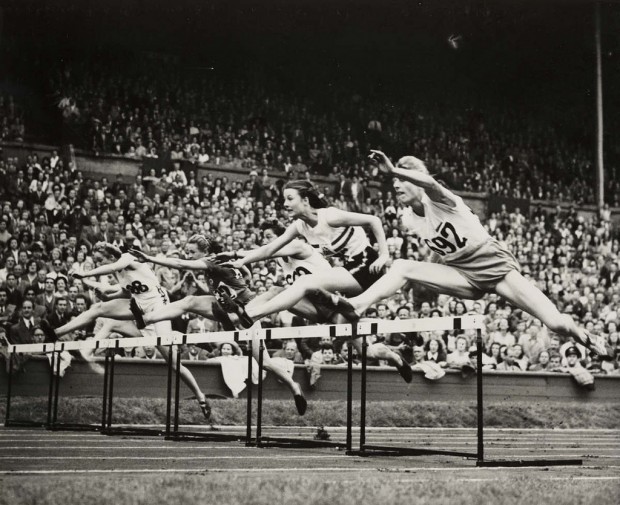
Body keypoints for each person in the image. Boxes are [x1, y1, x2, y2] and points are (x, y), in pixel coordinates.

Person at [314, 150, 606, 357]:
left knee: (555, 323)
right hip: (461, 273)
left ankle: (586, 336)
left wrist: (394, 169)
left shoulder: (442, 200)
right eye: (393, 183)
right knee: (402, 265)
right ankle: (357, 305)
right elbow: (441, 251)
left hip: (493, 265)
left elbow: (431, 184)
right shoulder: (407, 218)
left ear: (415, 180)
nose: (396, 186)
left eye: (400, 181)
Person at [223, 180, 412, 382]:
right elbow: (270, 249)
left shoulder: (329, 215)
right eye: (283, 199)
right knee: (366, 352)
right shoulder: (300, 226)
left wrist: (384, 254)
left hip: (368, 265)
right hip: (350, 273)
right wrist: (239, 259)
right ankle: (395, 357)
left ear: (305, 200)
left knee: (304, 283)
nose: (285, 204)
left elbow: (373, 220)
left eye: (289, 198)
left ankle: (251, 314)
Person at [128, 233, 308, 415]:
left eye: (192, 252)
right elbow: (243, 273)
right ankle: (147, 319)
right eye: (187, 252)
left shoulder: (212, 261)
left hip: (248, 310)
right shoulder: (218, 263)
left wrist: (149, 258)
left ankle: (294, 386)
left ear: (204, 252)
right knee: (189, 301)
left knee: (263, 361)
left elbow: (181, 264)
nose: (189, 256)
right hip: (223, 306)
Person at [38, 242, 213, 422]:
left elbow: (112, 267)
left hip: (158, 312)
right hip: (138, 309)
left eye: (100, 260)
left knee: (174, 364)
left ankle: (200, 397)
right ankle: (58, 334)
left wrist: (86, 273)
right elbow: (124, 292)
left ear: (111, 256)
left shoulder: (128, 258)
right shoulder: (119, 273)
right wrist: (103, 294)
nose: (99, 264)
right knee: (101, 310)